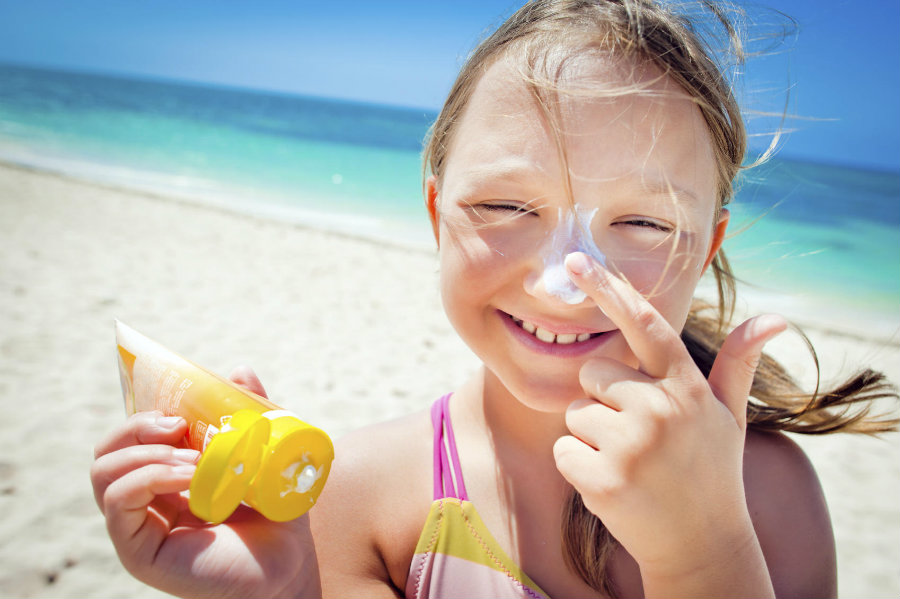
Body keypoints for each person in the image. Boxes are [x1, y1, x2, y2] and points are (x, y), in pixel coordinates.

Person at [90, 1, 898, 597]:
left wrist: (706, 552)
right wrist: (285, 591)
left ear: (707, 249)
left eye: (645, 222)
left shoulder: (766, 495)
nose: (560, 279)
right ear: (437, 211)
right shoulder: (361, 496)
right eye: (507, 207)